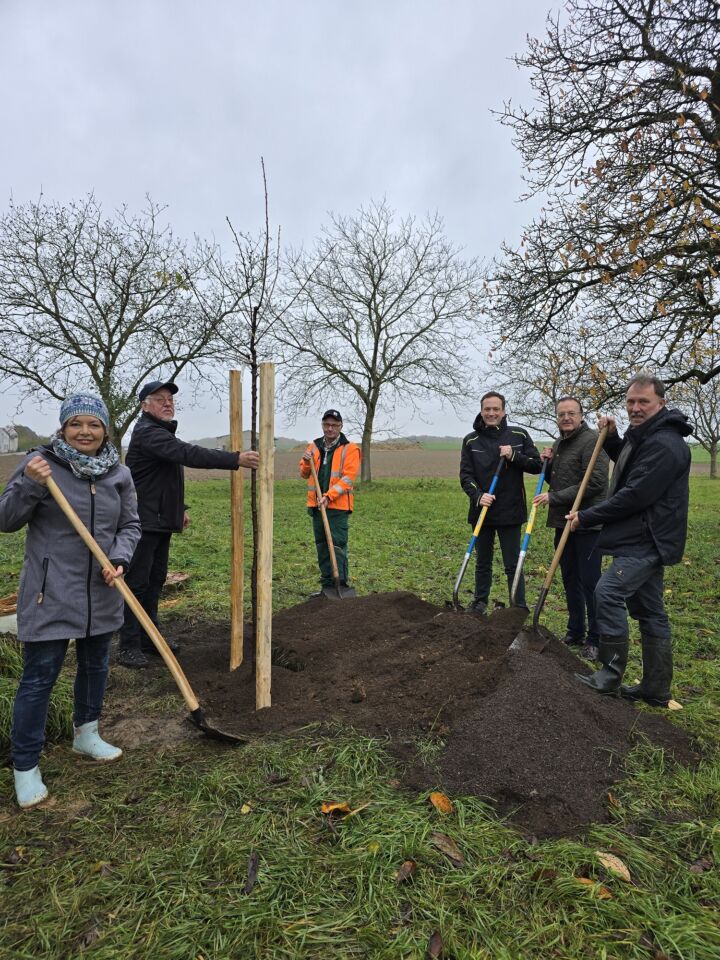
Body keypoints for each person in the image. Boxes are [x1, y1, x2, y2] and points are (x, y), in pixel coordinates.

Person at [0, 394, 141, 809]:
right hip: (51, 593)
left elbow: (131, 524)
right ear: (63, 429)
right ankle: (25, 767)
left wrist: (118, 558)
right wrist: (29, 482)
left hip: (103, 588)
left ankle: (87, 734)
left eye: (93, 425)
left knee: (96, 665)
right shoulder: (40, 465)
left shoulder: (118, 473)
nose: (85, 432)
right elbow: (6, 520)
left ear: (105, 431)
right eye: (76, 424)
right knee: (39, 677)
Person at [567, 374, 692, 707]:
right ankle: (655, 689)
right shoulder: (648, 435)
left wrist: (587, 517)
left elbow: (636, 495)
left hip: (648, 537)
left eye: (643, 402)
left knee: (607, 593)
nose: (635, 408)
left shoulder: (665, 444)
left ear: (661, 404)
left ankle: (609, 676)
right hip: (646, 536)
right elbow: (629, 460)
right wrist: (611, 438)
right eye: (631, 402)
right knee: (650, 612)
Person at [116, 380, 259, 668]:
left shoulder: (159, 432)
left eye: (170, 399)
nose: (168, 403)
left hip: (158, 520)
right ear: (145, 405)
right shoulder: (148, 433)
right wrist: (235, 459)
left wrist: (178, 508)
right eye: (159, 399)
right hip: (141, 522)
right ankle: (128, 644)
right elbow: (187, 454)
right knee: (137, 583)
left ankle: (149, 636)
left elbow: (163, 479)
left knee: (155, 581)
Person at [534, 396, 609, 659]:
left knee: (590, 582)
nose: (566, 418)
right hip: (563, 522)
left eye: (571, 413)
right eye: (561, 414)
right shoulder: (561, 442)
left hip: (588, 522)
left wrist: (554, 497)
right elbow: (565, 473)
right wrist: (549, 462)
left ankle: (596, 639)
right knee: (570, 579)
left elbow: (597, 482)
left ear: (580, 415)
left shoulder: (592, 441)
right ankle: (576, 630)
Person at [460, 391, 542, 613]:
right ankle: (479, 602)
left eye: (496, 409)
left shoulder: (519, 435)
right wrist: (478, 496)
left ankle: (518, 606)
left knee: (512, 564)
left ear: (504, 411)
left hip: (510, 510)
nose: (491, 413)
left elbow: (537, 466)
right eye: (487, 409)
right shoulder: (471, 440)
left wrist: (514, 456)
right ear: (481, 411)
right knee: (482, 562)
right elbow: (466, 476)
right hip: (482, 509)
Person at [299, 409, 361, 595]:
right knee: (322, 545)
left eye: (334, 425)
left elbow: (348, 479)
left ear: (340, 426)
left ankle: (340, 585)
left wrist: (329, 496)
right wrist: (305, 460)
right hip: (317, 506)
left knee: (336, 544)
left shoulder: (350, 449)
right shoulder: (314, 447)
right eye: (327, 424)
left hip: (337, 507)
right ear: (322, 425)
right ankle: (327, 587)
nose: (330, 428)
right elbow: (304, 474)